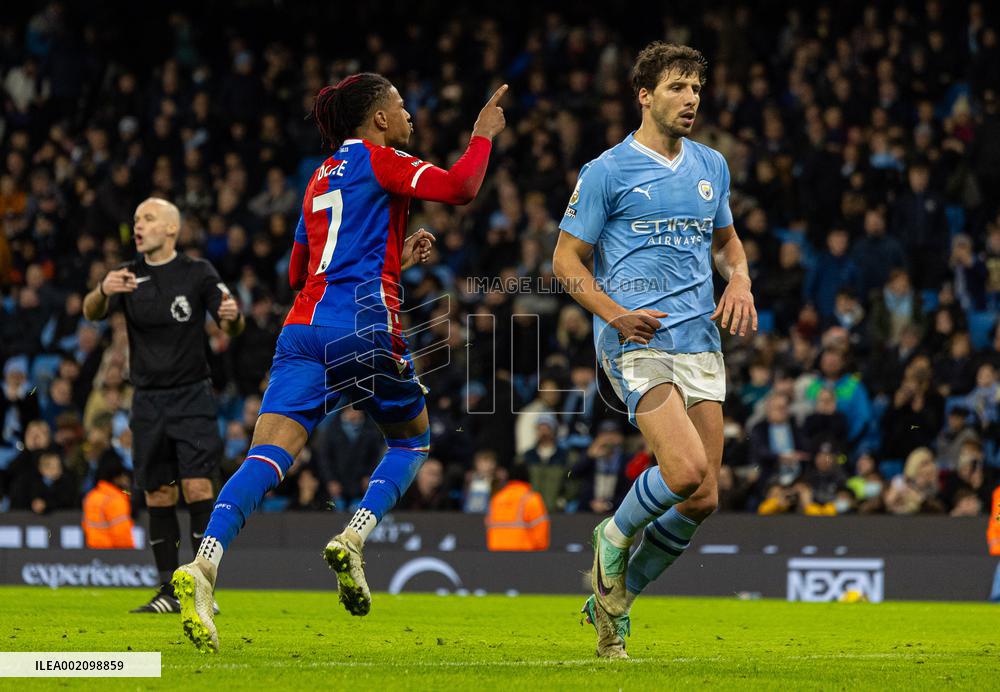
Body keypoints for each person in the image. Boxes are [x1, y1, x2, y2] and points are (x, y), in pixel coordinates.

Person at [172, 72, 508, 653]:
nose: (409, 116)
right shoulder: (384, 159)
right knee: (411, 443)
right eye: (401, 106)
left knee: (268, 455)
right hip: (363, 327)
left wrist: (389, 257)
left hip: (302, 330)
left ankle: (205, 562)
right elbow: (460, 188)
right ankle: (353, 537)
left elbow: (300, 272)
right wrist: (481, 135)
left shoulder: (316, 179)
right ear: (378, 119)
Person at [553, 43, 755, 659]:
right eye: (676, 87)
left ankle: (613, 603)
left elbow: (727, 243)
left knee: (703, 497)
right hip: (635, 342)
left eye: (696, 87)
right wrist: (615, 315)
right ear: (644, 95)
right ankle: (612, 535)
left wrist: (740, 277)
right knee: (685, 470)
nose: (690, 98)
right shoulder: (607, 170)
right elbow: (565, 261)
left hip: (700, 341)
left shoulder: (711, 165)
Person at [83, 196, 244, 613]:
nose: (139, 225)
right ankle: (169, 591)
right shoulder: (127, 276)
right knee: (157, 494)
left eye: (149, 219)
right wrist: (103, 289)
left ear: (171, 229)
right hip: (148, 400)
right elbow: (91, 311)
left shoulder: (197, 272)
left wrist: (231, 314)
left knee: (197, 487)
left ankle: (204, 586)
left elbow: (232, 321)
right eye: (136, 219)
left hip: (191, 395)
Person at [485, 462, 550, 551]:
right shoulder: (531, 499)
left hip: (496, 555)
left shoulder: (497, 499)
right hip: (524, 556)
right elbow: (541, 534)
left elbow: (488, 527)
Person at [82, 457, 135, 549]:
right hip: (114, 554)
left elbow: (86, 526)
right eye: (124, 477)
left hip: (93, 551)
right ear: (116, 478)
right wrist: (129, 554)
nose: (127, 481)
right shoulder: (116, 499)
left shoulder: (92, 496)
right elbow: (121, 532)